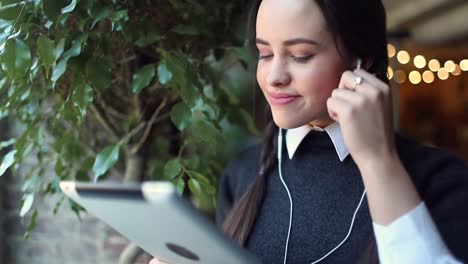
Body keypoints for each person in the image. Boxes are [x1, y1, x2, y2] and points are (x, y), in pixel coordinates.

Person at [150, 0, 468, 263]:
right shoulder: (243, 173)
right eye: (265, 53)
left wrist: (376, 161)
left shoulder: (439, 178)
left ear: (363, 59)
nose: (274, 76)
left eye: (300, 55)